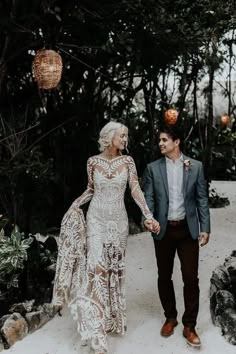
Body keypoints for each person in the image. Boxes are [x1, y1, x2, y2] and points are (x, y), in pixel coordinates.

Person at [52, 121, 160, 354]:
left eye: (126, 136)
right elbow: (91, 189)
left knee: (113, 270)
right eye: (122, 135)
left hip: (118, 223)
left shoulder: (128, 162)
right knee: (96, 270)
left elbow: (135, 189)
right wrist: (75, 204)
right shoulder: (92, 162)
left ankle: (110, 318)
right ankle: (98, 332)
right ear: (110, 137)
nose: (125, 140)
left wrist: (148, 216)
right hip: (96, 221)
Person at [142, 124, 210, 348]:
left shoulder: (196, 167)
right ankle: (170, 317)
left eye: (164, 140)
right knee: (164, 276)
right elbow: (148, 198)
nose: (160, 143)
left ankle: (189, 325)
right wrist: (148, 218)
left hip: (187, 230)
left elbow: (201, 199)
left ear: (176, 141)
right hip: (163, 230)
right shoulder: (153, 168)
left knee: (191, 278)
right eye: (159, 140)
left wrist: (205, 227)